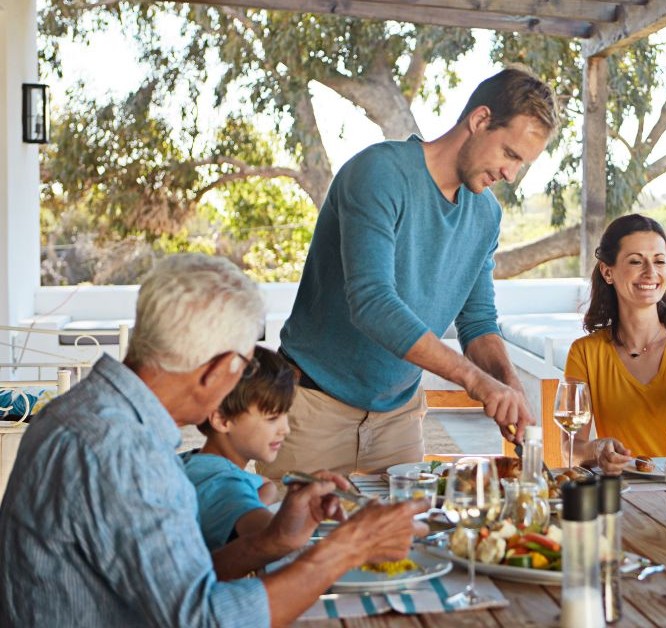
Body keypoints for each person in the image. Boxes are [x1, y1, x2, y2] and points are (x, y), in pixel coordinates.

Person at [0, 254, 426, 626]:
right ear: (215, 370)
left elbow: (176, 583)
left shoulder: (84, 411)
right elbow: (204, 618)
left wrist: (272, 541)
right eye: (241, 365)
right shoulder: (122, 451)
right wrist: (347, 549)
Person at [264, 66, 559, 478]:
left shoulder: (486, 215)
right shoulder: (380, 173)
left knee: (404, 543)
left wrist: (508, 384)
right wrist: (476, 382)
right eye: (509, 154)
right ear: (479, 120)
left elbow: (477, 322)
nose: (511, 175)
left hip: (397, 423)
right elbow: (371, 303)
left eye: (521, 164)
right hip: (312, 410)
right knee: (288, 540)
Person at [564, 214, 666, 471]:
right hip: (624, 495)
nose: (651, 272)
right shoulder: (585, 353)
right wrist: (597, 449)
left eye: (659, 261)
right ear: (607, 271)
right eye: (636, 261)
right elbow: (571, 448)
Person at [181, 345, 295, 551]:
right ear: (222, 419)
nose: (285, 429)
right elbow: (278, 540)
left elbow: (266, 484)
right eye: (272, 418)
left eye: (285, 414)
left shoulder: (197, 462)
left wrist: (257, 502)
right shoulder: (224, 486)